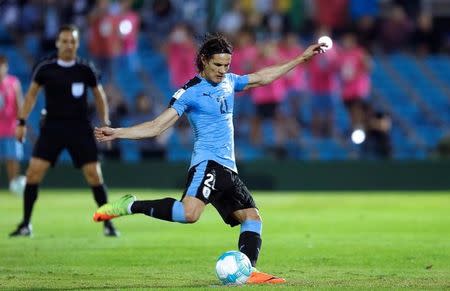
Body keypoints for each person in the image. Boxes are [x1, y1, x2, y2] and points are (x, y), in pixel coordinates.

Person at [93, 34, 325, 284]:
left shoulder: (230, 82)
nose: (223, 71)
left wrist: (301, 58)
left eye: (227, 65)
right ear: (204, 60)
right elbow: (157, 126)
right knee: (189, 214)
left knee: (252, 218)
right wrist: (118, 132)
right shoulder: (190, 92)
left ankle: (248, 271)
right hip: (208, 164)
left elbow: (262, 77)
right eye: (217, 65)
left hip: (228, 168)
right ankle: (131, 205)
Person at [9, 24, 118, 237]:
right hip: (52, 127)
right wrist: (21, 122)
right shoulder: (45, 68)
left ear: (77, 44)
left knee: (95, 175)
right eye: (65, 41)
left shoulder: (85, 69)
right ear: (58, 43)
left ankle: (108, 224)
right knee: (33, 173)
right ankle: (26, 224)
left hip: (79, 127)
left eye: (72, 41)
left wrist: (105, 122)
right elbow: (31, 95)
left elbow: (99, 95)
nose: (68, 45)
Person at [0, 55, 26, 195]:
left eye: (2, 65)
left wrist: (21, 123)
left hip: (10, 128)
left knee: (12, 158)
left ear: (6, 67)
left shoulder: (13, 82)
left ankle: (13, 185)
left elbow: (19, 104)